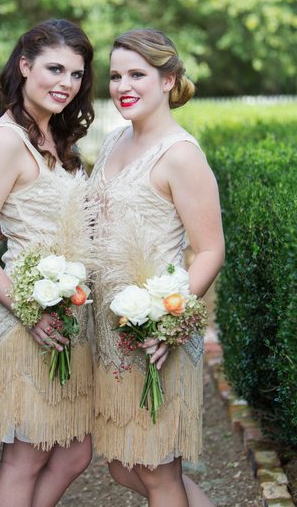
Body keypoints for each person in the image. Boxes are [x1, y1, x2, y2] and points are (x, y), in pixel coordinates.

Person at [0, 19, 95, 507]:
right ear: (25, 65)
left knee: (75, 451)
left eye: (76, 75)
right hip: (25, 315)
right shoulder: (6, 140)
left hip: (65, 316)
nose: (66, 83)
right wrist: (30, 311)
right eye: (55, 68)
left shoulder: (53, 134)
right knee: (26, 457)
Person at [89, 28, 225, 507]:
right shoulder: (111, 141)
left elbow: (209, 251)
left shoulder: (181, 154)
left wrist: (166, 322)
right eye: (115, 76)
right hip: (110, 328)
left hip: (155, 332)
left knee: (157, 469)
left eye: (137, 75)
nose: (123, 86)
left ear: (168, 80)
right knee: (126, 466)